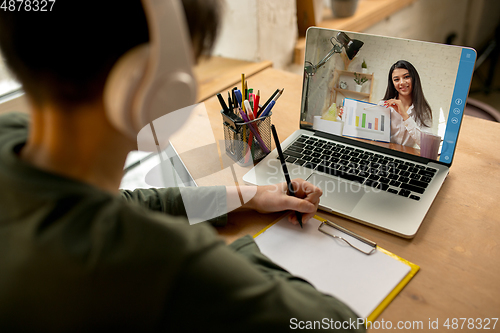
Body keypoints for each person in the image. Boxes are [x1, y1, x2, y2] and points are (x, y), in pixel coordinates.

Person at [0, 1, 365, 332]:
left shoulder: (11, 136)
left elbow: (126, 203)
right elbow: (340, 324)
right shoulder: (159, 263)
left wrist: (248, 195)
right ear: (154, 84)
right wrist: (232, 256)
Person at [381, 60, 433, 148]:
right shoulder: (383, 105)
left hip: (407, 156)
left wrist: (405, 116)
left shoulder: (424, 110)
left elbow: (426, 145)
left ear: (414, 79)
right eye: (396, 79)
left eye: (406, 77)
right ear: (392, 83)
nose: (402, 82)